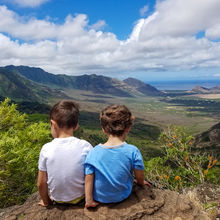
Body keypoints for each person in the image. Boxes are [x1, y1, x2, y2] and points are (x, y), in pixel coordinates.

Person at [85, 104, 148, 208]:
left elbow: (89, 176)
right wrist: (141, 183)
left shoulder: (94, 152)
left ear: (103, 129)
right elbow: (139, 176)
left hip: (99, 197)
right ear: (128, 128)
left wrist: (89, 200)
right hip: (122, 196)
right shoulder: (133, 151)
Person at [37, 100, 93, 207]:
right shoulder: (85, 146)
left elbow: (41, 183)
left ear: (53, 124)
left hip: (58, 200)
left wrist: (46, 201)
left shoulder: (46, 149)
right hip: (81, 197)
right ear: (76, 126)